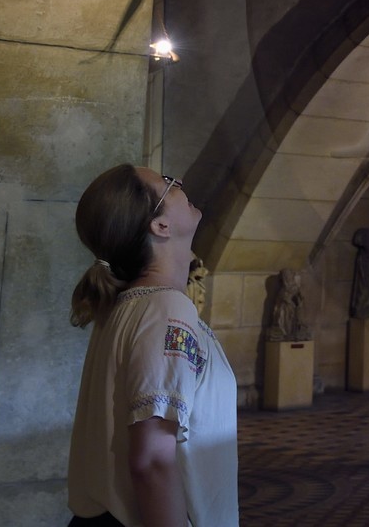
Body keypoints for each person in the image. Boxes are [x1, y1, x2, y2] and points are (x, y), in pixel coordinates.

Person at [67, 164, 238, 526]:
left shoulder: (131, 304)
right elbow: (152, 462)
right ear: (160, 226)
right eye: (167, 183)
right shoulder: (165, 310)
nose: (180, 184)